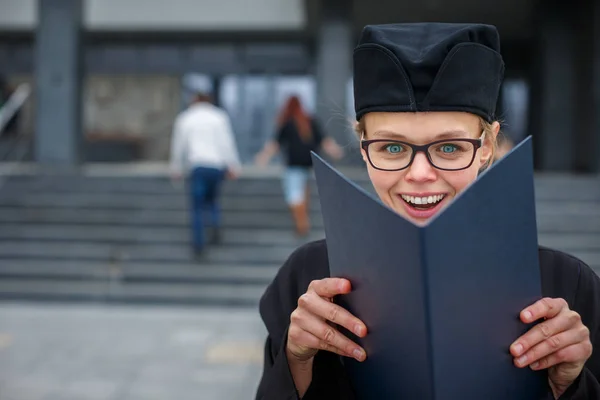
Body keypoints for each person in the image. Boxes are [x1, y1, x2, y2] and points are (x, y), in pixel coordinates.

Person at [255, 23, 600, 399]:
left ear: (486, 147)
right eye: (392, 148)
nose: (420, 175)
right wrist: (296, 359)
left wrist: (569, 383)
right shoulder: (306, 277)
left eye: (449, 148)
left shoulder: (568, 286)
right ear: (363, 147)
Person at [255, 96, 344, 236]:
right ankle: (302, 222)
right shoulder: (310, 120)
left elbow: (275, 144)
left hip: (294, 165)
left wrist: (263, 157)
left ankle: (302, 224)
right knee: (302, 195)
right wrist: (337, 152)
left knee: (294, 195)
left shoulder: (287, 122)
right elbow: (324, 141)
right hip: (310, 164)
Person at [170, 92, 241, 257]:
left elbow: (179, 145)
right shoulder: (219, 117)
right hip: (216, 166)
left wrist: (176, 167)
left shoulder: (186, 118)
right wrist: (233, 165)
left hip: (197, 166)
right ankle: (214, 224)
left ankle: (199, 244)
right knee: (212, 199)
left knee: (197, 206)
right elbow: (226, 142)